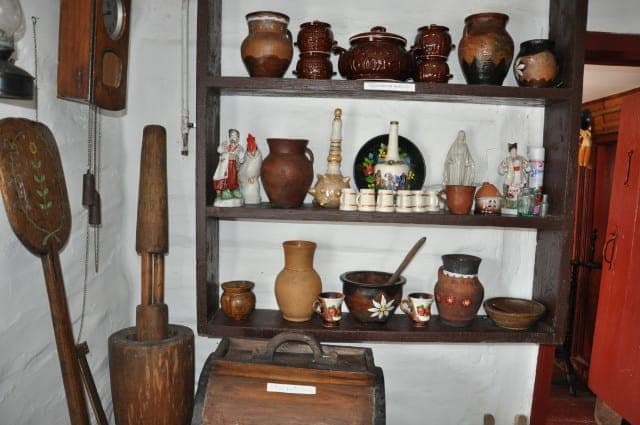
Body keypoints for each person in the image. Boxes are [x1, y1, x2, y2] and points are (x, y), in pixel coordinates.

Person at [213, 129, 245, 206]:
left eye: (235, 136)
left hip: (234, 164)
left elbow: (241, 157)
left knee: (234, 178)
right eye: (232, 136)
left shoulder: (239, 147)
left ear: (238, 138)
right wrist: (225, 148)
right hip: (226, 165)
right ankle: (225, 190)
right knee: (226, 177)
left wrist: (241, 157)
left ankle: (234, 190)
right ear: (229, 137)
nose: (233, 138)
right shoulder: (225, 144)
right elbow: (219, 150)